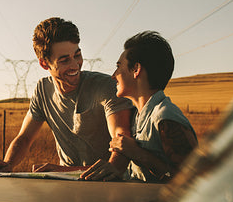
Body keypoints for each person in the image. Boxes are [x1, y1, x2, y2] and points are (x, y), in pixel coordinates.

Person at [0, 17, 133, 180]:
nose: (75, 65)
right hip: (67, 184)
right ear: (44, 64)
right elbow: (24, 138)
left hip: (110, 183)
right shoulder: (42, 90)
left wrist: (62, 171)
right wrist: (8, 163)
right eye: (64, 60)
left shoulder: (106, 86)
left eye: (77, 55)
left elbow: (121, 146)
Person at [83, 31, 197, 182]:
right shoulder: (138, 116)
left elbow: (193, 181)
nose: (113, 75)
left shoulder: (165, 117)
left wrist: (138, 154)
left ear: (136, 70)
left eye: (119, 66)